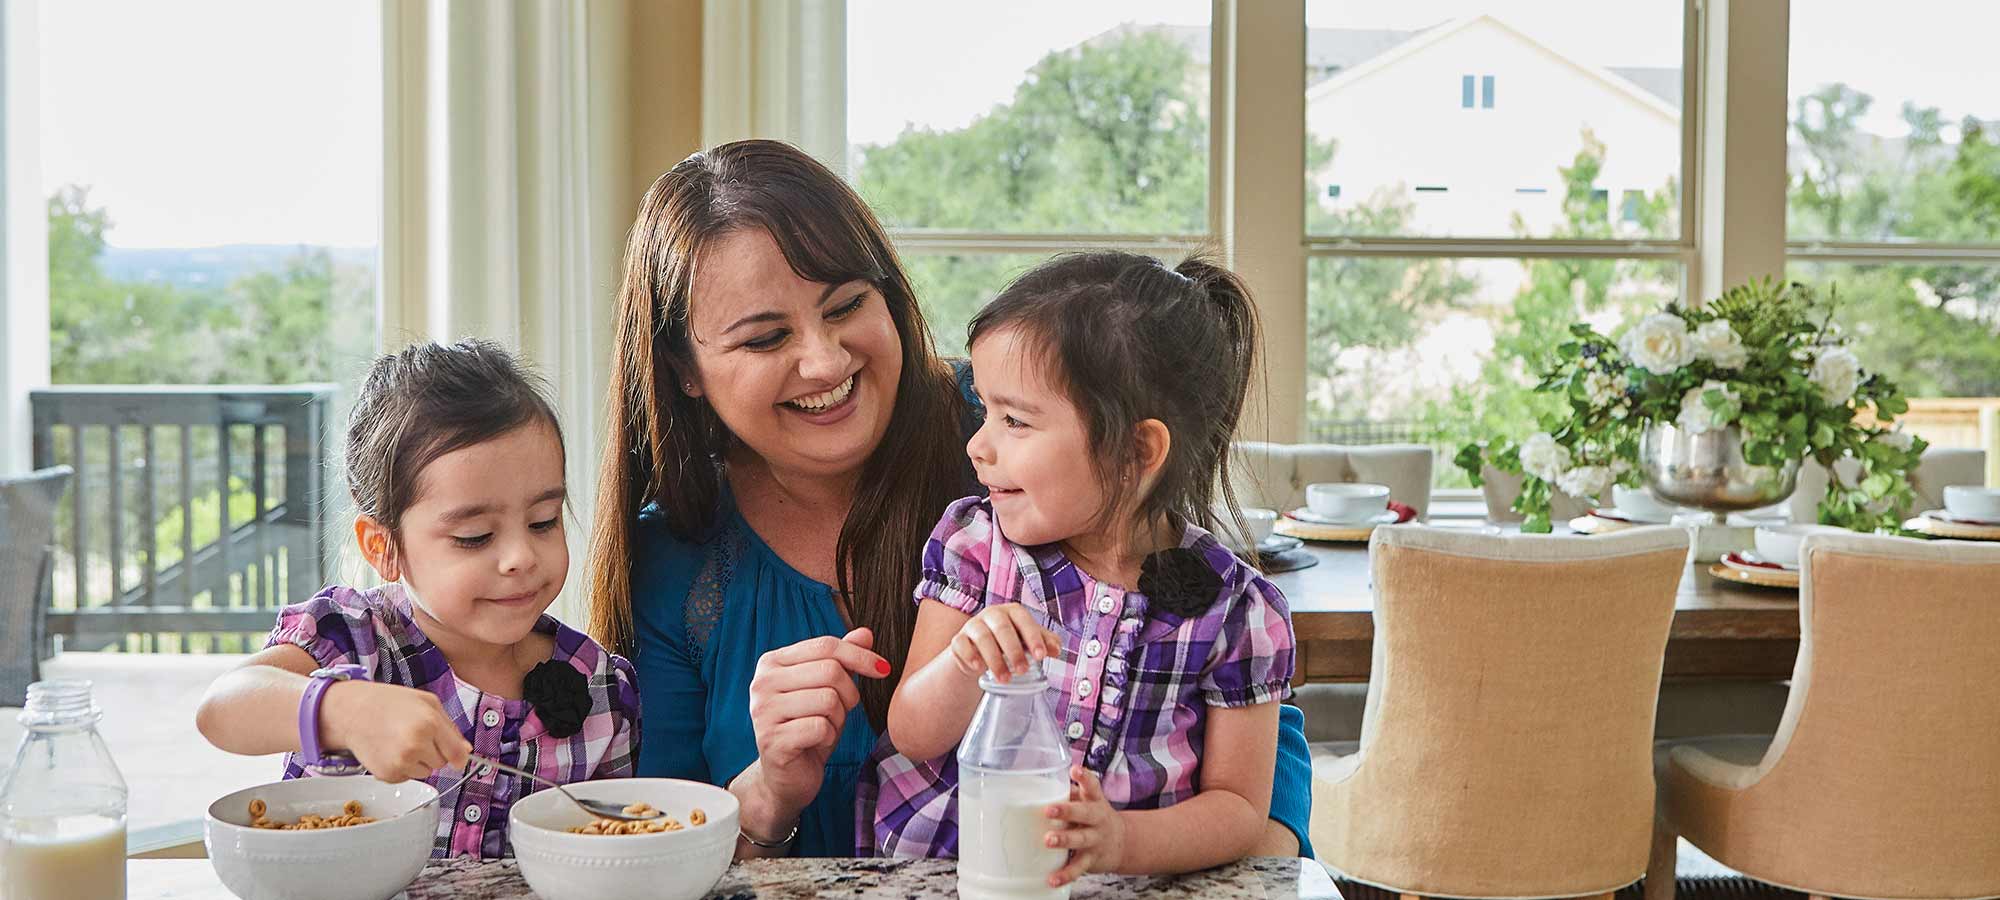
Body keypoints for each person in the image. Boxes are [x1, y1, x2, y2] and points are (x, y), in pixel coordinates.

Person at [586, 138, 1313, 860]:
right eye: (766, 337)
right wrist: (771, 792)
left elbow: (1257, 761)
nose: (826, 360)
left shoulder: (1015, 436)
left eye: (846, 306)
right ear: (684, 368)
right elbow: (657, 846)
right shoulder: (677, 558)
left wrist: (1215, 846)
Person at [869, 251, 1291, 886]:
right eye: (984, 411)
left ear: (1136, 450)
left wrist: (1122, 839)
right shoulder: (976, 545)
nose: (977, 445)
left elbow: (1238, 810)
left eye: (1014, 421)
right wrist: (962, 662)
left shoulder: (1237, 612)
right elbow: (911, 734)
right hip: (956, 874)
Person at [196, 339, 638, 859]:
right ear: (383, 548)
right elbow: (222, 708)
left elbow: (618, 852)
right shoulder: (352, 641)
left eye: (543, 522)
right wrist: (342, 710)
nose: (521, 556)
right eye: (474, 536)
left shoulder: (602, 688)